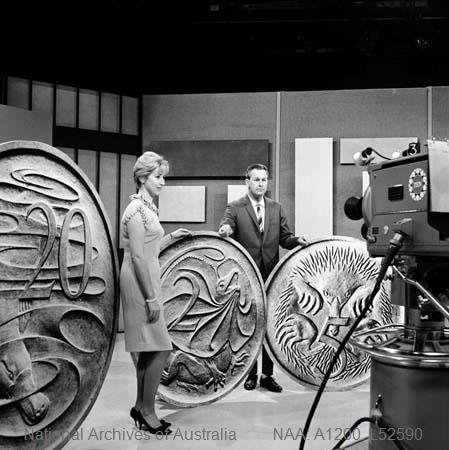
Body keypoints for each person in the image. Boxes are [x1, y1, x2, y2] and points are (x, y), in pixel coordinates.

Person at [218, 163, 306, 392]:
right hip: (247, 277)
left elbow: (285, 238)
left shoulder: (276, 208)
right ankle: (250, 373)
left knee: (268, 324)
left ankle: (267, 375)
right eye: (256, 180)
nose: (260, 184)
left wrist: (296, 241)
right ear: (247, 182)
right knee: (248, 325)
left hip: (270, 276)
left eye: (263, 180)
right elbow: (226, 226)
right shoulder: (235, 207)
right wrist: (226, 230)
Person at [120, 151, 191, 434]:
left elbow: (149, 247)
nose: (163, 182)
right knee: (161, 348)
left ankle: (141, 407)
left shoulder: (146, 209)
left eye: (163, 177)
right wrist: (150, 297)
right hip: (139, 282)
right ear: (142, 177)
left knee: (150, 351)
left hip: (147, 277)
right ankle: (147, 410)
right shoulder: (135, 211)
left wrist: (172, 237)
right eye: (158, 177)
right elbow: (137, 257)